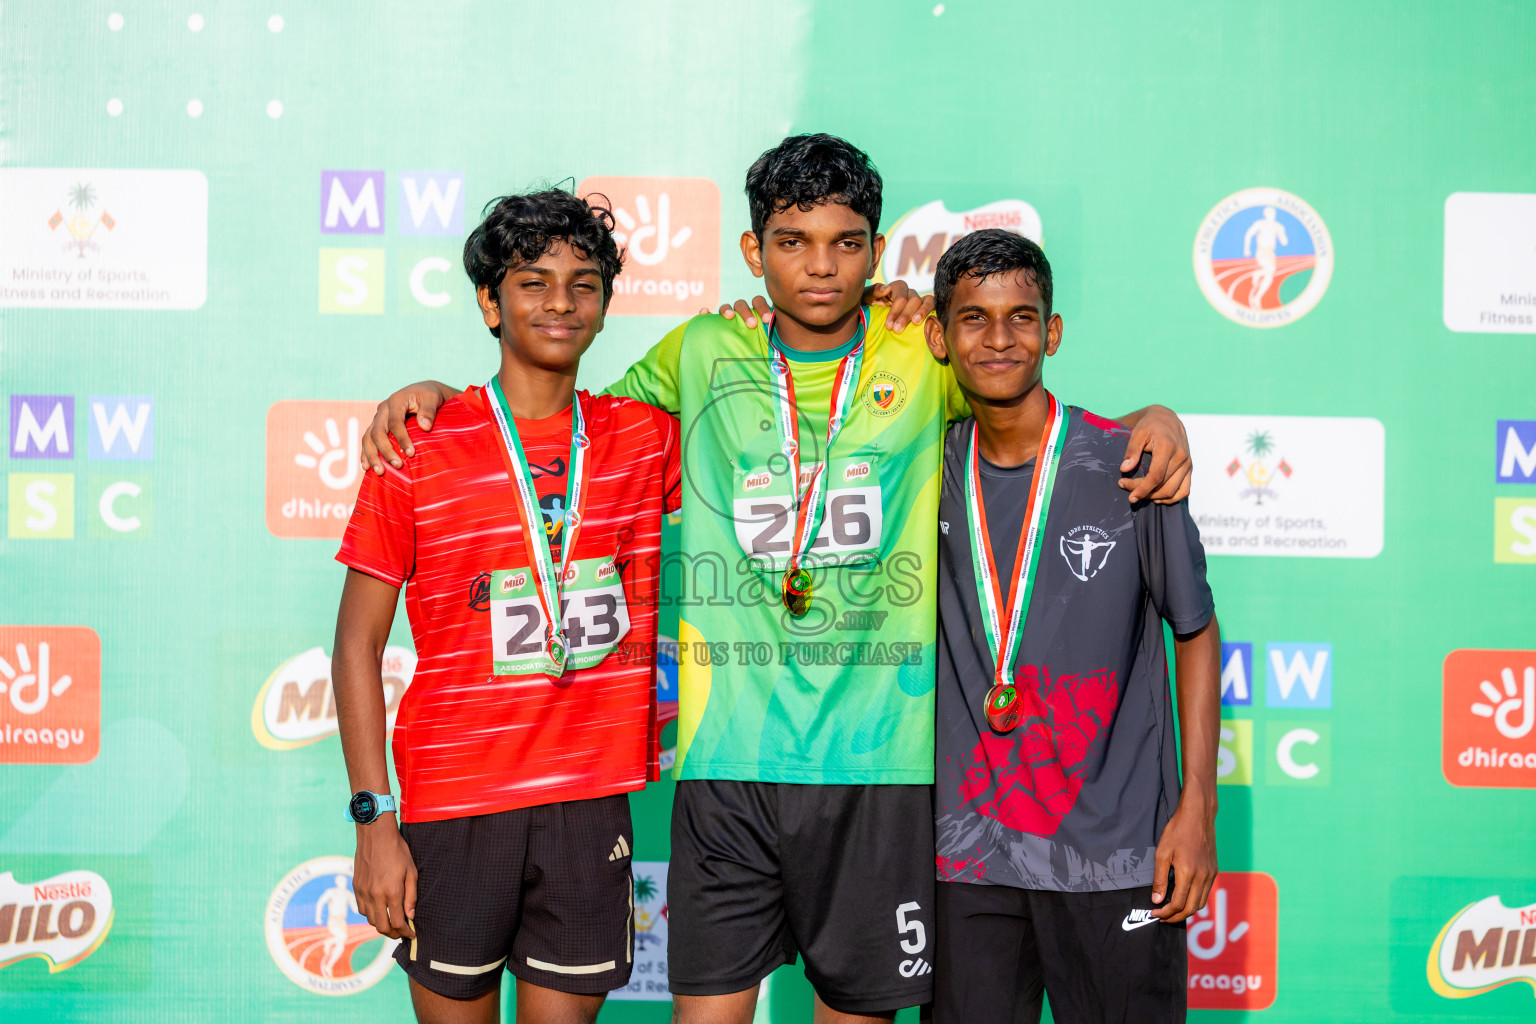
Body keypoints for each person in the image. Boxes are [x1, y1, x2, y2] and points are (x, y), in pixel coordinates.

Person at [361, 134, 1194, 1024]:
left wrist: (1150, 418)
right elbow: (562, 421)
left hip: (882, 771)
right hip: (728, 765)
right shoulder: (702, 350)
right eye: (793, 242)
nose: (822, 268)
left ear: (878, 252)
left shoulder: (926, 352)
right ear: (755, 253)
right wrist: (443, 399)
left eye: (846, 243)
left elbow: (1029, 409)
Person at [331, 187, 681, 1024]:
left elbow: (782, 413)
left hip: (589, 800)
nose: (560, 302)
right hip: (455, 807)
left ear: (603, 306)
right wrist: (374, 823)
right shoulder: (418, 444)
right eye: (533, 281)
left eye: (583, 282)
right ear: (489, 301)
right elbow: (354, 647)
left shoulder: (645, 437)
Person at [924, 229, 1220, 1024]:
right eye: (974, 318)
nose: (998, 339)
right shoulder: (926, 465)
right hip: (970, 854)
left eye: (1022, 317)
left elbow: (1193, 630)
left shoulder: (1132, 465)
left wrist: (1197, 812)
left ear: (1052, 333)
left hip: (1116, 851)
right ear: (939, 335)